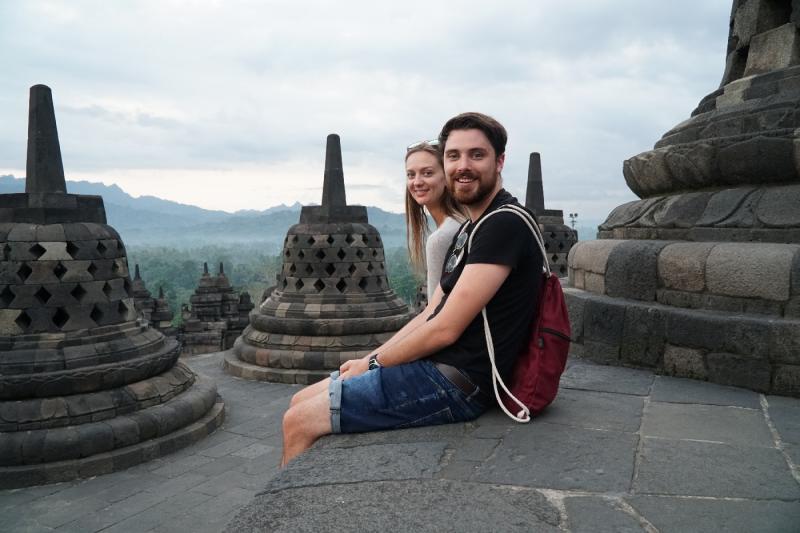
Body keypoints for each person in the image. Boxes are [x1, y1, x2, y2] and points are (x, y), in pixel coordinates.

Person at [280, 112, 543, 466]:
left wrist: (373, 363)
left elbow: (445, 328)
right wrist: (368, 359)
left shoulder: (504, 224)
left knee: (297, 421)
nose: (463, 165)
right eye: (454, 156)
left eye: (476, 155)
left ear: (500, 161)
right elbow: (431, 312)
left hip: (456, 383)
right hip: (438, 370)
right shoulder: (473, 229)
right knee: (300, 400)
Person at [405, 141, 466, 302]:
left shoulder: (442, 237)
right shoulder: (461, 222)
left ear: (446, 178)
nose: (417, 182)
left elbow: (435, 311)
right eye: (411, 174)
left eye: (427, 173)